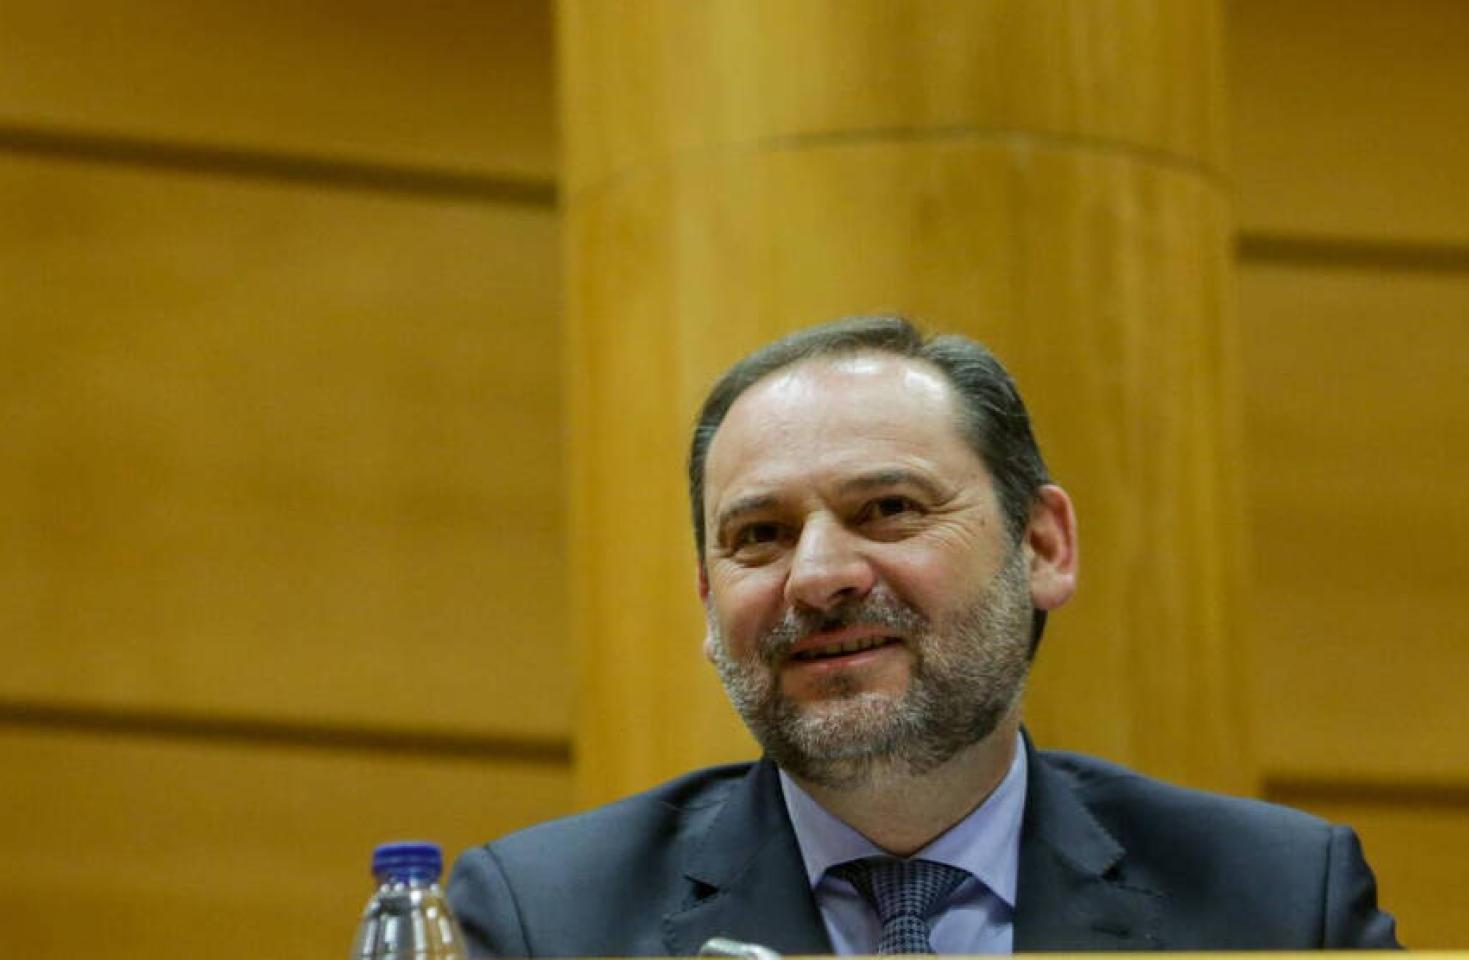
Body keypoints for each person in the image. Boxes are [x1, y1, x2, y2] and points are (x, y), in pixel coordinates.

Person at [449, 316, 1400, 956]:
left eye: (889, 508)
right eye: (760, 537)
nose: (819, 577)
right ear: (708, 599)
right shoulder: (543, 922)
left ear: (1042, 545)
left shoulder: (1277, 906)